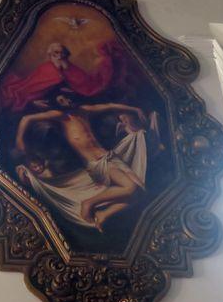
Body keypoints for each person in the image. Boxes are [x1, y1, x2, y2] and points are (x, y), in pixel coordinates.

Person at [15, 93, 147, 231]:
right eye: (62, 100)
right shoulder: (61, 116)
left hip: (111, 157)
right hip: (97, 163)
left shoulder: (84, 111)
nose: (67, 101)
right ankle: (88, 203)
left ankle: (104, 214)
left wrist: (135, 109)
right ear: (57, 104)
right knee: (130, 187)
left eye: (67, 97)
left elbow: (110, 105)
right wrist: (19, 140)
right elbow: (26, 118)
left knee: (141, 191)